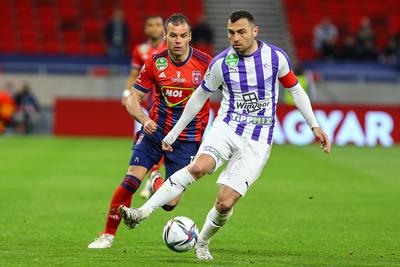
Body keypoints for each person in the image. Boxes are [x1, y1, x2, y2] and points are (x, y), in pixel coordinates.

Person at [118, 10, 331, 260]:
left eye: (241, 32)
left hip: (258, 138)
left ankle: (203, 242)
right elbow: (198, 98)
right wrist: (173, 134)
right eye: (231, 33)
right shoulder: (221, 62)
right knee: (199, 166)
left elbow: (295, 90)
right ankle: (141, 213)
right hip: (227, 127)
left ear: (255, 31)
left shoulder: (275, 58)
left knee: (224, 203)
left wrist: (314, 124)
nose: (235, 38)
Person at [88, 13, 212, 249]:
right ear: (166, 36)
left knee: (170, 203)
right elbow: (132, 100)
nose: (178, 40)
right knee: (130, 181)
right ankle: (107, 235)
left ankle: (156, 178)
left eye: (183, 36)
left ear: (190, 37)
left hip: (187, 139)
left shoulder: (206, 63)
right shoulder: (156, 62)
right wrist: (144, 120)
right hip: (155, 132)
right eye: (173, 35)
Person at [121, 15, 167, 199]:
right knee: (142, 141)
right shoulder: (140, 50)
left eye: (158, 25)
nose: (154, 28)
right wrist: (127, 94)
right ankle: (149, 177)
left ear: (163, 28)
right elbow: (133, 74)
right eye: (151, 25)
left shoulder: (171, 47)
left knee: (163, 141)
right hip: (146, 106)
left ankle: (151, 179)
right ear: (146, 29)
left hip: (166, 106)